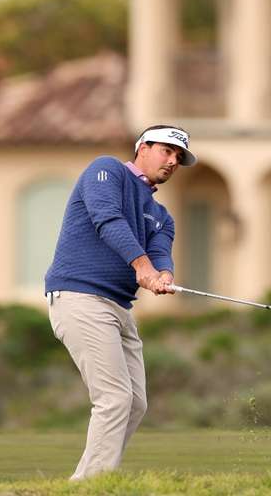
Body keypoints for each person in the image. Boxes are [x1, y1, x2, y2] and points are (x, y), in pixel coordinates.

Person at [44, 124, 197, 480]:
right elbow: (107, 218)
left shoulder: (162, 216)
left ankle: (86, 481)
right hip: (80, 296)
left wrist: (164, 276)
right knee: (114, 398)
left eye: (178, 157)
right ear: (142, 147)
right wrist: (141, 266)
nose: (172, 161)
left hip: (117, 308)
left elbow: (160, 255)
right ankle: (93, 484)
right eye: (166, 151)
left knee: (135, 404)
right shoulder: (107, 170)